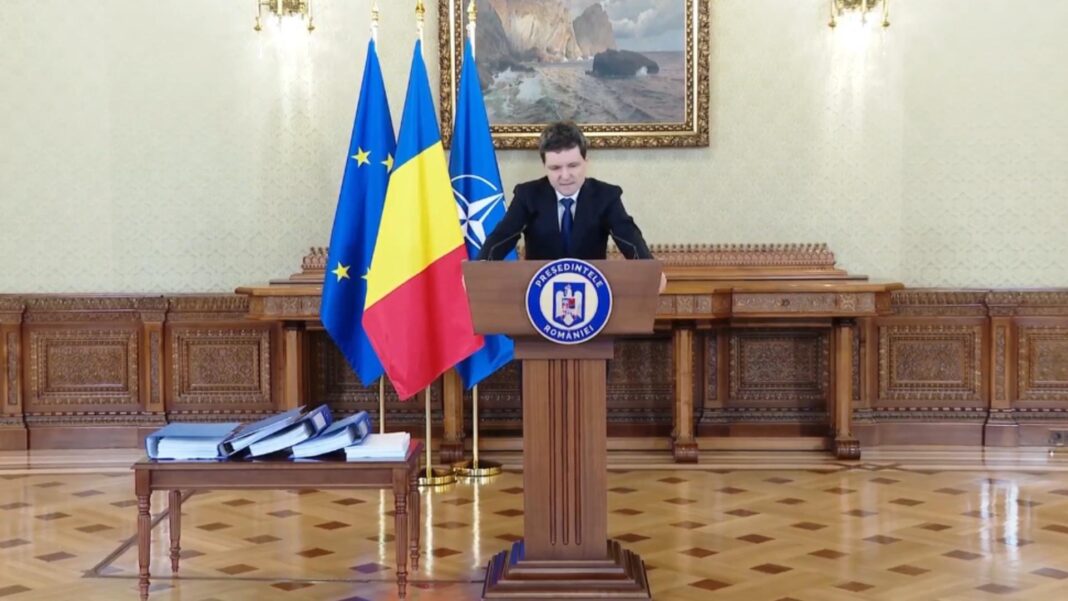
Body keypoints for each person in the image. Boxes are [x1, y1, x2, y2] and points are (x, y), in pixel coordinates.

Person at [478, 121, 658, 265]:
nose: (565, 176)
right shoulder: (527, 196)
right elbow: (502, 236)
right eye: (555, 168)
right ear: (544, 167)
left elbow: (629, 236)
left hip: (591, 291)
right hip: (540, 292)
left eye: (573, 166)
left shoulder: (606, 196)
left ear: (586, 162)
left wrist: (649, 271)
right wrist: (480, 265)